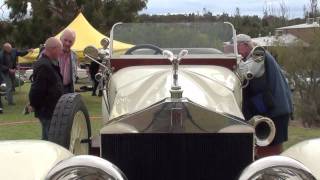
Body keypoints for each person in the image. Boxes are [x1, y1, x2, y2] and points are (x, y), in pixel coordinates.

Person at [237, 34, 293, 158]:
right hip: (271, 109)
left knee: (270, 153)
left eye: (236, 47)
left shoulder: (258, 52)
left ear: (245, 45)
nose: (235, 51)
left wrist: (233, 63)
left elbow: (244, 72)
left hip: (275, 111)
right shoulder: (255, 56)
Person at [28, 37, 63, 140]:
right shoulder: (44, 65)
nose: (60, 53)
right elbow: (37, 89)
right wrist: (33, 104)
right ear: (53, 49)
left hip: (50, 109)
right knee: (49, 140)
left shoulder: (49, 64)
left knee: (49, 137)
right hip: (47, 110)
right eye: (59, 50)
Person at [59, 29, 78, 94]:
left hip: (68, 90)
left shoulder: (74, 55)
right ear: (60, 38)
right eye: (65, 40)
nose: (67, 43)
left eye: (70, 41)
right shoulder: (52, 52)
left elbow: (74, 73)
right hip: (53, 89)